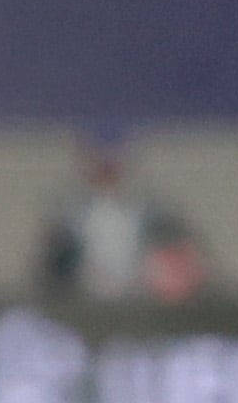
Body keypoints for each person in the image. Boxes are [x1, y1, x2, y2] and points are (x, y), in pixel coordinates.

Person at [36, 129, 205, 302]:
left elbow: (181, 253)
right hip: (87, 298)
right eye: (100, 161)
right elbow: (54, 267)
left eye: (113, 161)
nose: (107, 168)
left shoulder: (149, 212)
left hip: (142, 297)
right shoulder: (70, 215)